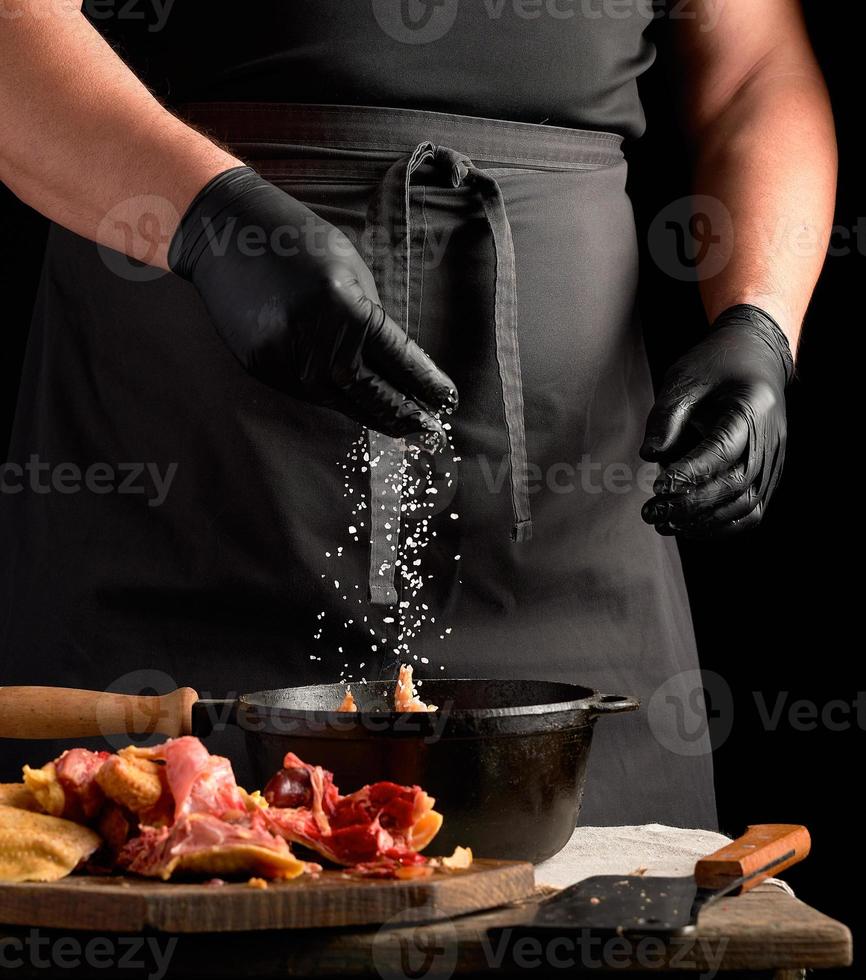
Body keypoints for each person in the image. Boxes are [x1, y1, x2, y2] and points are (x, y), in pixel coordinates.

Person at [0, 0, 835, 827]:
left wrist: (760, 320)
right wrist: (209, 222)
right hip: (180, 539)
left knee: (616, 917)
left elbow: (754, 71)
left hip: (567, 564)